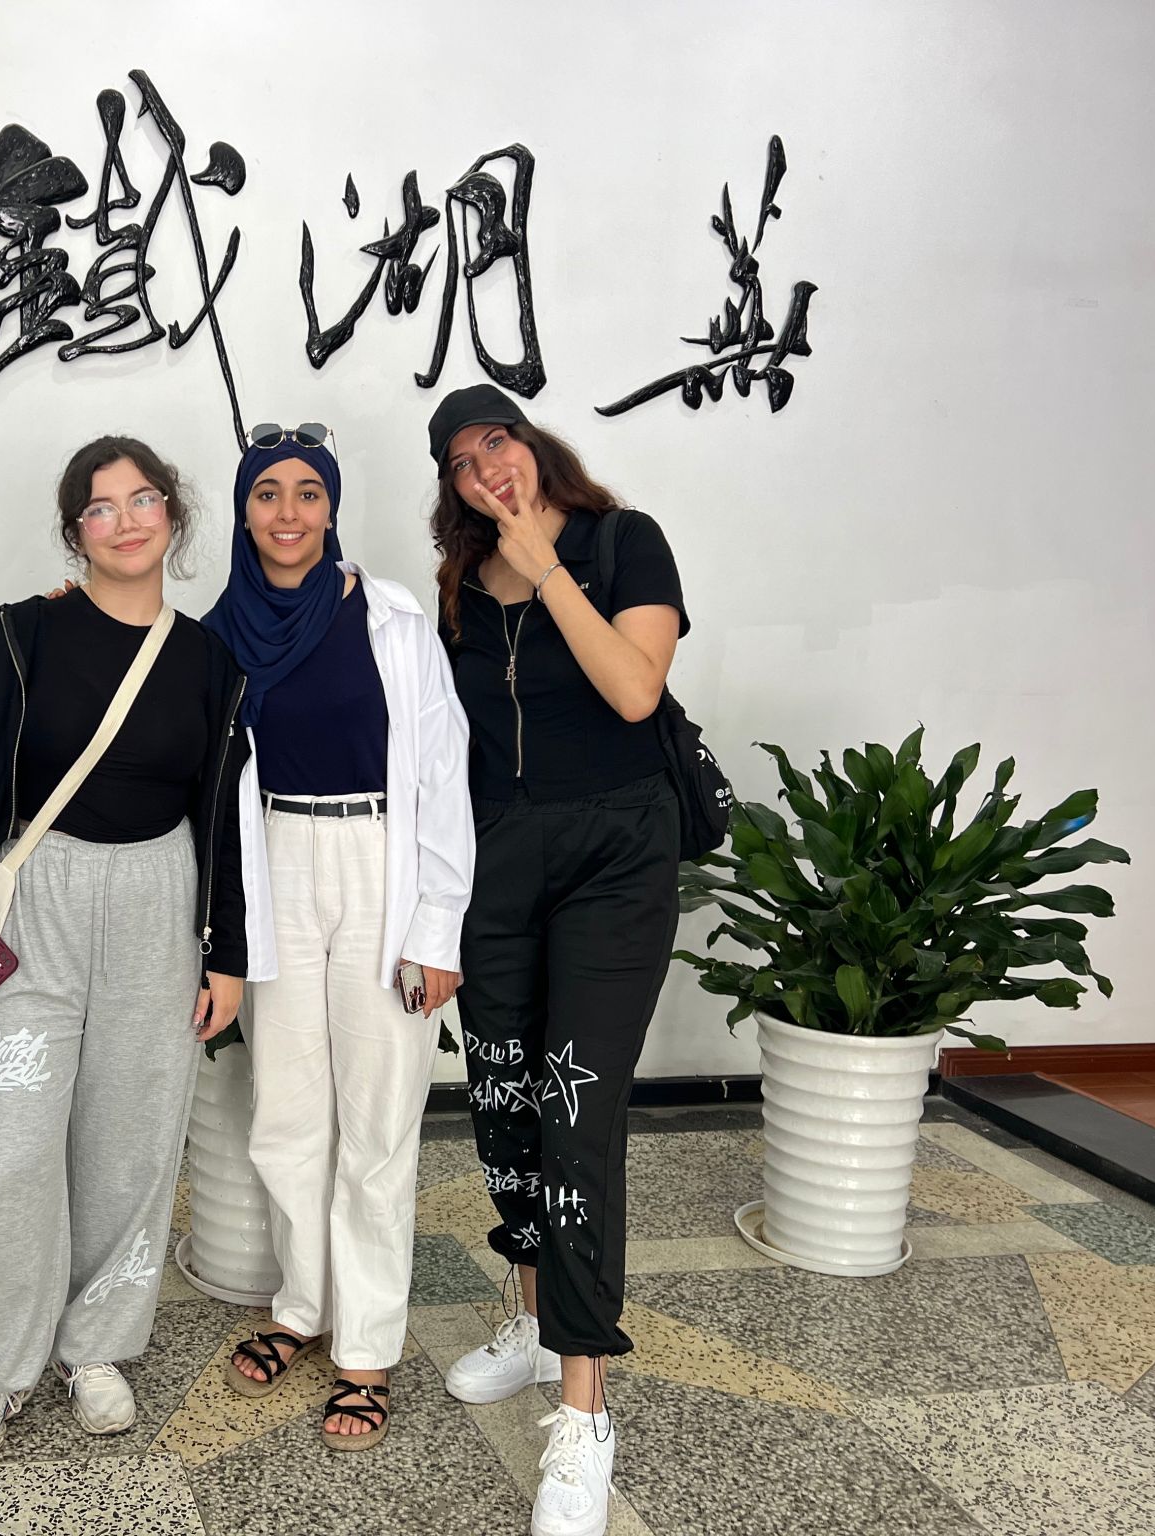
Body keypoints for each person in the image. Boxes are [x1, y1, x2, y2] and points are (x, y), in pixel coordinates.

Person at [0, 436, 248, 1465]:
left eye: (142, 500)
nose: (125, 521)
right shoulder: (21, 637)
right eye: (100, 508)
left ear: (172, 515)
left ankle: (96, 1346)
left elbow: (223, 815)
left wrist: (226, 952)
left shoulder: (206, 660)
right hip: (36, 899)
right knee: (15, 1149)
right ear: (76, 534)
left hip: (159, 898)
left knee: (131, 1143)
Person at [427, 384, 688, 1536]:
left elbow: (634, 690)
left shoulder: (622, 542)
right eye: (461, 459)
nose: (487, 466)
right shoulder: (455, 591)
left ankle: (583, 1414)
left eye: (498, 440)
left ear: (531, 446)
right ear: (449, 485)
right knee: (503, 1107)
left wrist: (547, 572)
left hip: (616, 857)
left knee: (575, 1118)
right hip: (497, 866)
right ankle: (534, 1322)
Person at [207, 423, 473, 1450]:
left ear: (331, 507)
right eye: (266, 493)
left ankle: (364, 1346)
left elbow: (442, 776)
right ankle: (301, 1306)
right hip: (273, 861)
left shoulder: (390, 618)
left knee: (376, 1120)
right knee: (284, 1113)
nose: (288, 513)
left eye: (307, 493)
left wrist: (436, 928)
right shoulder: (218, 632)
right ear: (243, 513)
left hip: (377, 861)